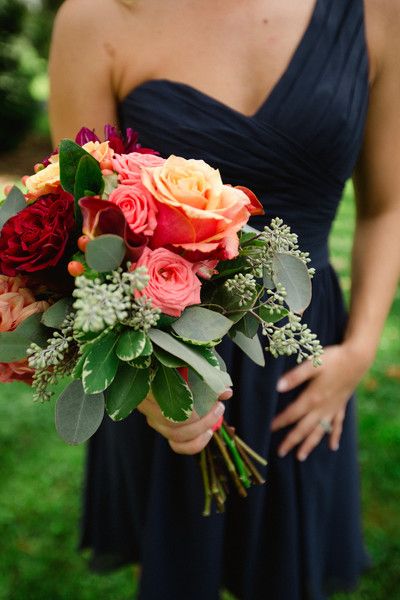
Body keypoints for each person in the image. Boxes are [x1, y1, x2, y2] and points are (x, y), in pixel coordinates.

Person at [49, 0, 400, 598]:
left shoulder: (378, 12)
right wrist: (145, 388)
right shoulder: (97, 18)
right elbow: (75, 226)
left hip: (305, 361)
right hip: (158, 354)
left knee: (287, 568)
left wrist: (361, 349)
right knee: (175, 565)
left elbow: (386, 205)